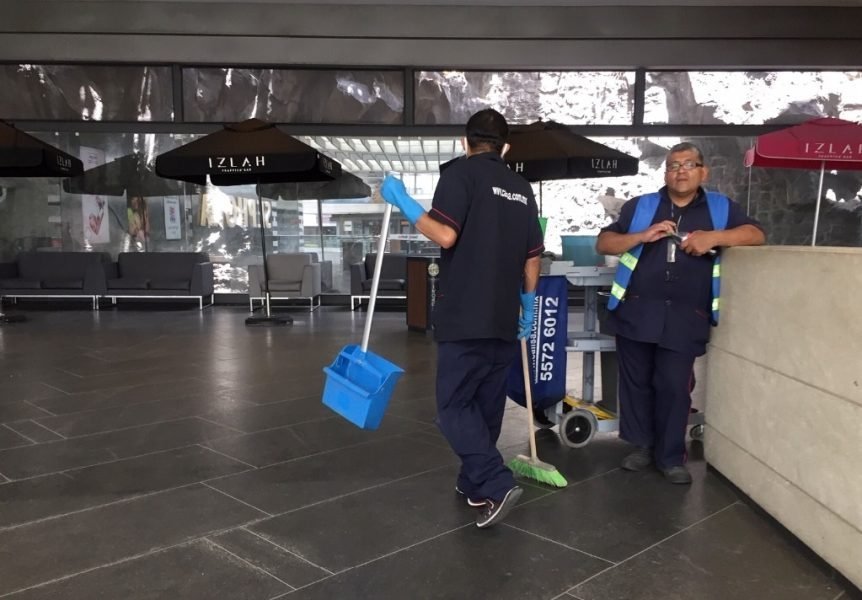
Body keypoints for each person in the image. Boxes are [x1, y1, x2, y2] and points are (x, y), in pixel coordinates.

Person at [380, 108, 544, 528]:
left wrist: (401, 199)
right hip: (504, 316)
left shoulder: (460, 174)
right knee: (486, 407)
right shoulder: (522, 188)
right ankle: (474, 482)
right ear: (506, 148)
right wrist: (527, 304)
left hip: (465, 313)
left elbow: (445, 234)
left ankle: (495, 483)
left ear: (464, 141)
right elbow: (532, 257)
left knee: (453, 407)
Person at [596, 142, 765, 484]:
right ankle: (642, 446)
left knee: (674, 385)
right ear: (666, 173)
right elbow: (605, 243)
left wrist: (713, 238)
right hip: (637, 310)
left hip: (687, 316)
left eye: (689, 164)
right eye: (673, 165)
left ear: (703, 171)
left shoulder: (720, 208)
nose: (681, 171)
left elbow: (756, 234)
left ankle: (670, 456)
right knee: (636, 384)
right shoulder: (642, 206)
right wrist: (642, 236)